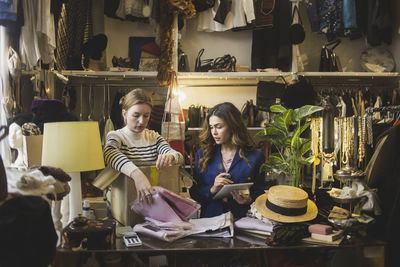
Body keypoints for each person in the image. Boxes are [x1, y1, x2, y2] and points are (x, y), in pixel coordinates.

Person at [104, 88, 184, 204]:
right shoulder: (116, 136)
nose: (141, 121)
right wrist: (137, 175)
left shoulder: (154, 137)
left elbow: (179, 157)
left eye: (146, 116)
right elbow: (109, 153)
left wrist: (170, 157)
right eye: (136, 115)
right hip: (122, 204)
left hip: (150, 203)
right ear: (124, 113)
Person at [190, 102, 265, 218]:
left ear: (232, 126)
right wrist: (212, 189)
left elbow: (260, 194)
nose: (214, 132)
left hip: (243, 221)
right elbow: (194, 193)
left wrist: (249, 199)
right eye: (211, 127)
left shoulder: (255, 156)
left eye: (219, 127)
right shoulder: (203, 155)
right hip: (211, 221)